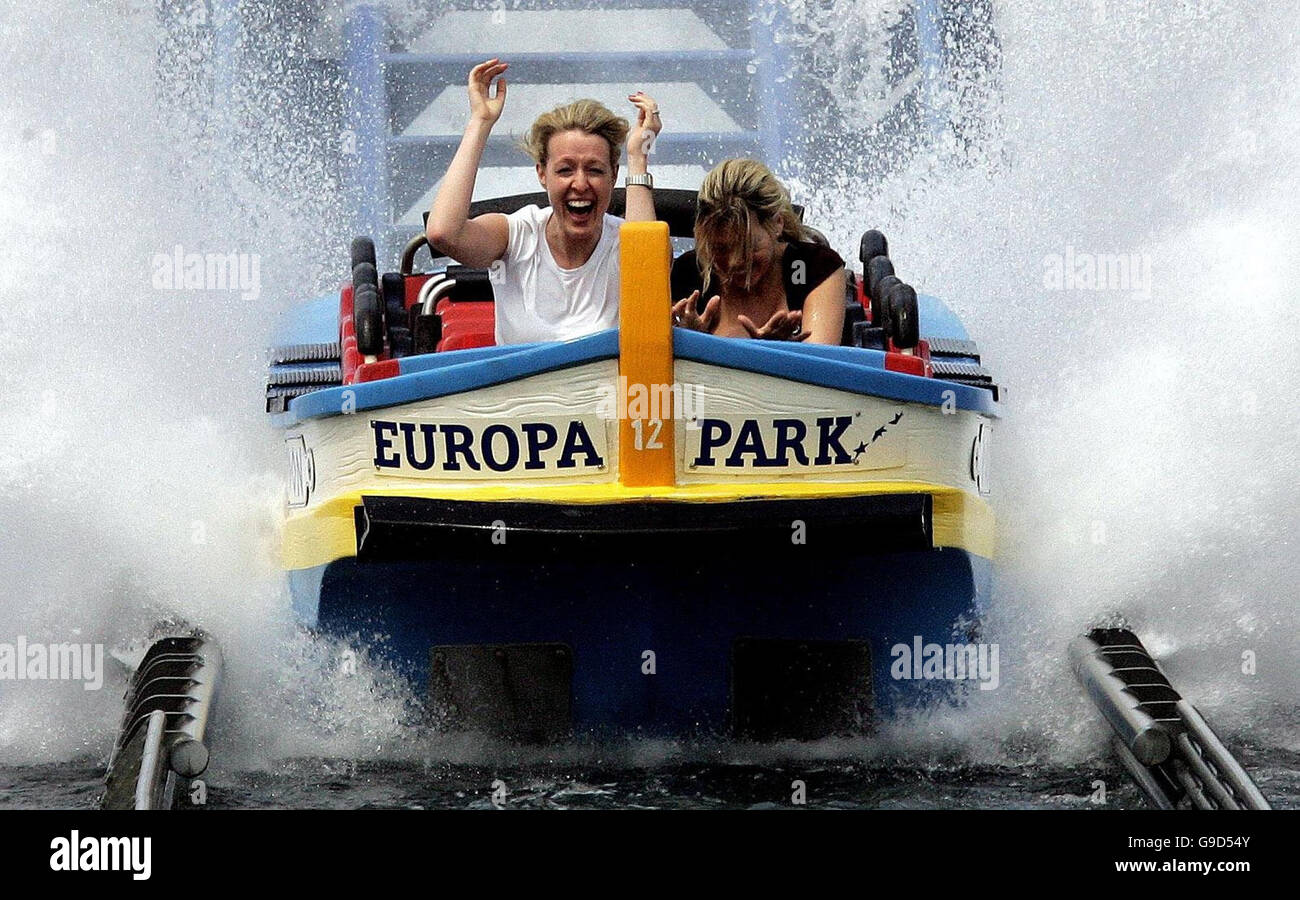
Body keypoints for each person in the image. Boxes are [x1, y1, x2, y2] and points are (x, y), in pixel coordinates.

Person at [426, 59, 662, 345]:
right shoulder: (516, 235)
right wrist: (480, 121)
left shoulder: (626, 242)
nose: (580, 184)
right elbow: (443, 233)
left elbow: (648, 271)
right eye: (565, 170)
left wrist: (637, 157)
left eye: (595, 170)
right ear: (542, 174)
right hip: (524, 390)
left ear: (614, 175)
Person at [670, 158, 846, 345]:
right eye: (720, 249)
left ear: (777, 224)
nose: (734, 262)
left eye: (748, 247)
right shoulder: (689, 274)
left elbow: (819, 365)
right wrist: (686, 341)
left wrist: (778, 352)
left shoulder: (808, 268)